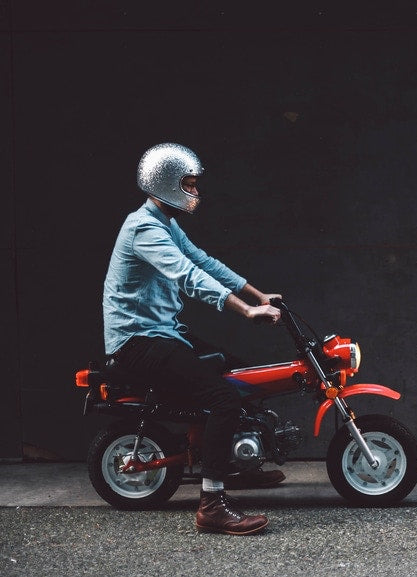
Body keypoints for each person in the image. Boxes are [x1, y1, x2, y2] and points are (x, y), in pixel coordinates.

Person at [103, 142, 286, 535]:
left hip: (163, 332)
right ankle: (212, 505)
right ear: (166, 183)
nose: (196, 192)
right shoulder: (143, 230)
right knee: (222, 398)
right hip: (137, 342)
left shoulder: (165, 223)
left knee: (232, 369)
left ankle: (233, 467)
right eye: (189, 184)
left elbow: (204, 261)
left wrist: (258, 294)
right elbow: (188, 275)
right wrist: (246, 310)